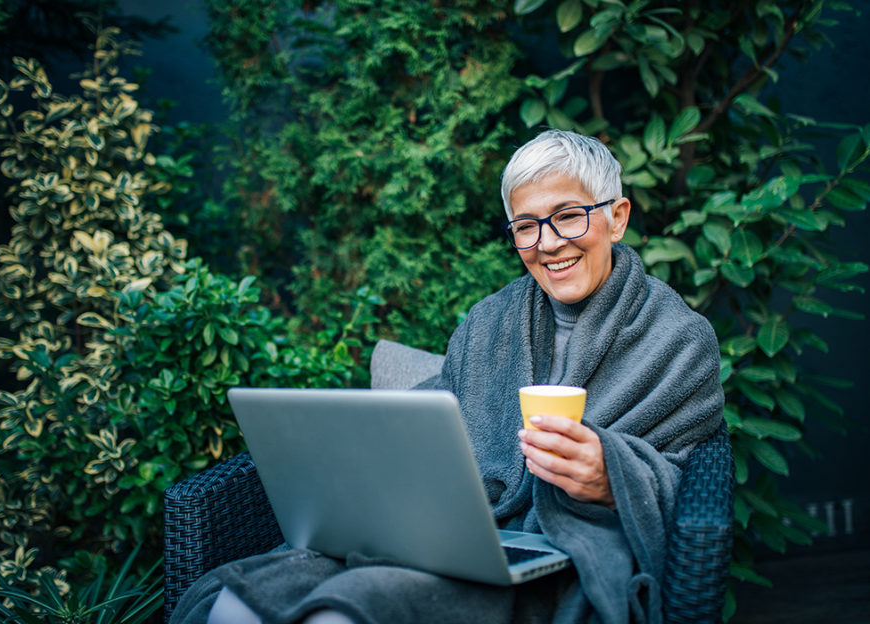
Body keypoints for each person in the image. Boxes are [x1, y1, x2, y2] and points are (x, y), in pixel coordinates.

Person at [171, 129, 725, 624]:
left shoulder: (677, 338)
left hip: (569, 554)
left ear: (617, 217)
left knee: (347, 607)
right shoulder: (490, 321)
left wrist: (612, 477)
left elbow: (696, 483)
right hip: (459, 536)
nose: (549, 243)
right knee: (238, 603)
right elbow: (435, 417)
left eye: (569, 216)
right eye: (526, 227)